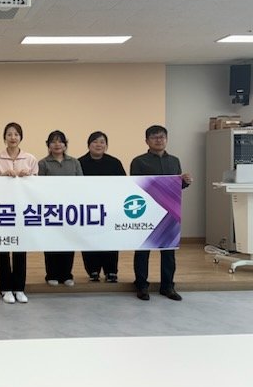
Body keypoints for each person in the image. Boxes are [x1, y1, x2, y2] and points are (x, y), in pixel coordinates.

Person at [130, 125, 192, 302]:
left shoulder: (174, 160)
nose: (159, 140)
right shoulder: (139, 161)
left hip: (169, 211)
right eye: (154, 137)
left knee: (168, 252)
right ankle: (141, 285)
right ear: (147, 141)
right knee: (143, 250)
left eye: (162, 137)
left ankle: (168, 286)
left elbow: (176, 186)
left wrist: (185, 182)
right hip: (146, 211)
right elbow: (136, 186)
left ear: (166, 139)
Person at [0, 122, 38, 304]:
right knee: (2, 248)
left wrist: (28, 176)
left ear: (21, 137)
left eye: (16, 134)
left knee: (20, 249)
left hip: (23, 210)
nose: (13, 137)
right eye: (9, 134)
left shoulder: (30, 159)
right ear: (4, 137)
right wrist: (2, 177)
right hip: (2, 209)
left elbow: (37, 184)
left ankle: (19, 288)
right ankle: (5, 288)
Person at [78, 131, 126, 283]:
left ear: (106, 145)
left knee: (110, 240)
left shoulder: (114, 163)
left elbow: (123, 185)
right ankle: (92, 270)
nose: (98, 145)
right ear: (88, 145)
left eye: (102, 142)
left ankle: (111, 271)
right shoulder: (79, 163)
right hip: (87, 209)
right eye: (95, 142)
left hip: (110, 209)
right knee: (89, 239)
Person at [38, 130, 83, 287]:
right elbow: (38, 187)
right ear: (48, 145)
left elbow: (81, 184)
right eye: (53, 141)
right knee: (51, 242)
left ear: (65, 144)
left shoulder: (74, 162)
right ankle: (51, 274)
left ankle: (66, 274)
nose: (57, 144)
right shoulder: (43, 163)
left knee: (68, 242)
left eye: (60, 141)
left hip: (70, 209)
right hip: (50, 209)